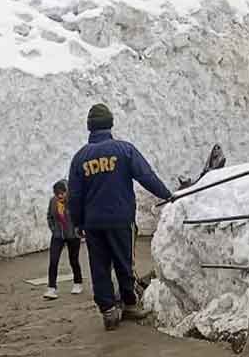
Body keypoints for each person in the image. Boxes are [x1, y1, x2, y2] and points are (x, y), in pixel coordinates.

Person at [68, 103, 173, 331]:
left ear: (89, 127)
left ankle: (108, 311)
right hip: (120, 219)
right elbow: (146, 176)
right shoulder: (125, 150)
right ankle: (129, 304)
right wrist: (168, 195)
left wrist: (77, 223)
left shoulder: (80, 158)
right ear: (111, 123)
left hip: (93, 223)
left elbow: (74, 195)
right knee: (124, 262)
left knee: (99, 266)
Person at [44, 179, 83, 300]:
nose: (60, 196)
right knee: (53, 261)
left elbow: (80, 216)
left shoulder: (74, 201)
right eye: (57, 193)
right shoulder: (53, 202)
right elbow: (49, 216)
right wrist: (54, 229)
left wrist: (78, 229)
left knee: (73, 260)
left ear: (67, 192)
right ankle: (51, 288)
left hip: (73, 235)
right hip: (58, 236)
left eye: (62, 193)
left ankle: (78, 282)